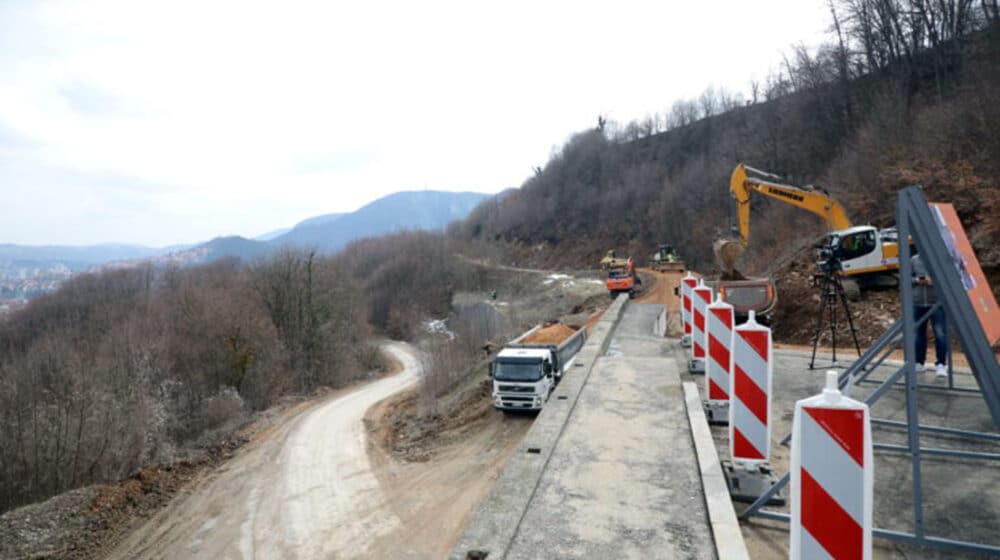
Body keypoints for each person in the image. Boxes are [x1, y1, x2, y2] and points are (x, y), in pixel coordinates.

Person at [911, 251, 949, 377]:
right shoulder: (914, 260)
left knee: (940, 334)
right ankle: (919, 362)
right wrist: (917, 280)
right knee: (918, 335)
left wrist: (934, 281)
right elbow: (906, 277)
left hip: (936, 303)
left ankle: (941, 364)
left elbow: (947, 277)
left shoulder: (938, 258)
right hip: (918, 302)